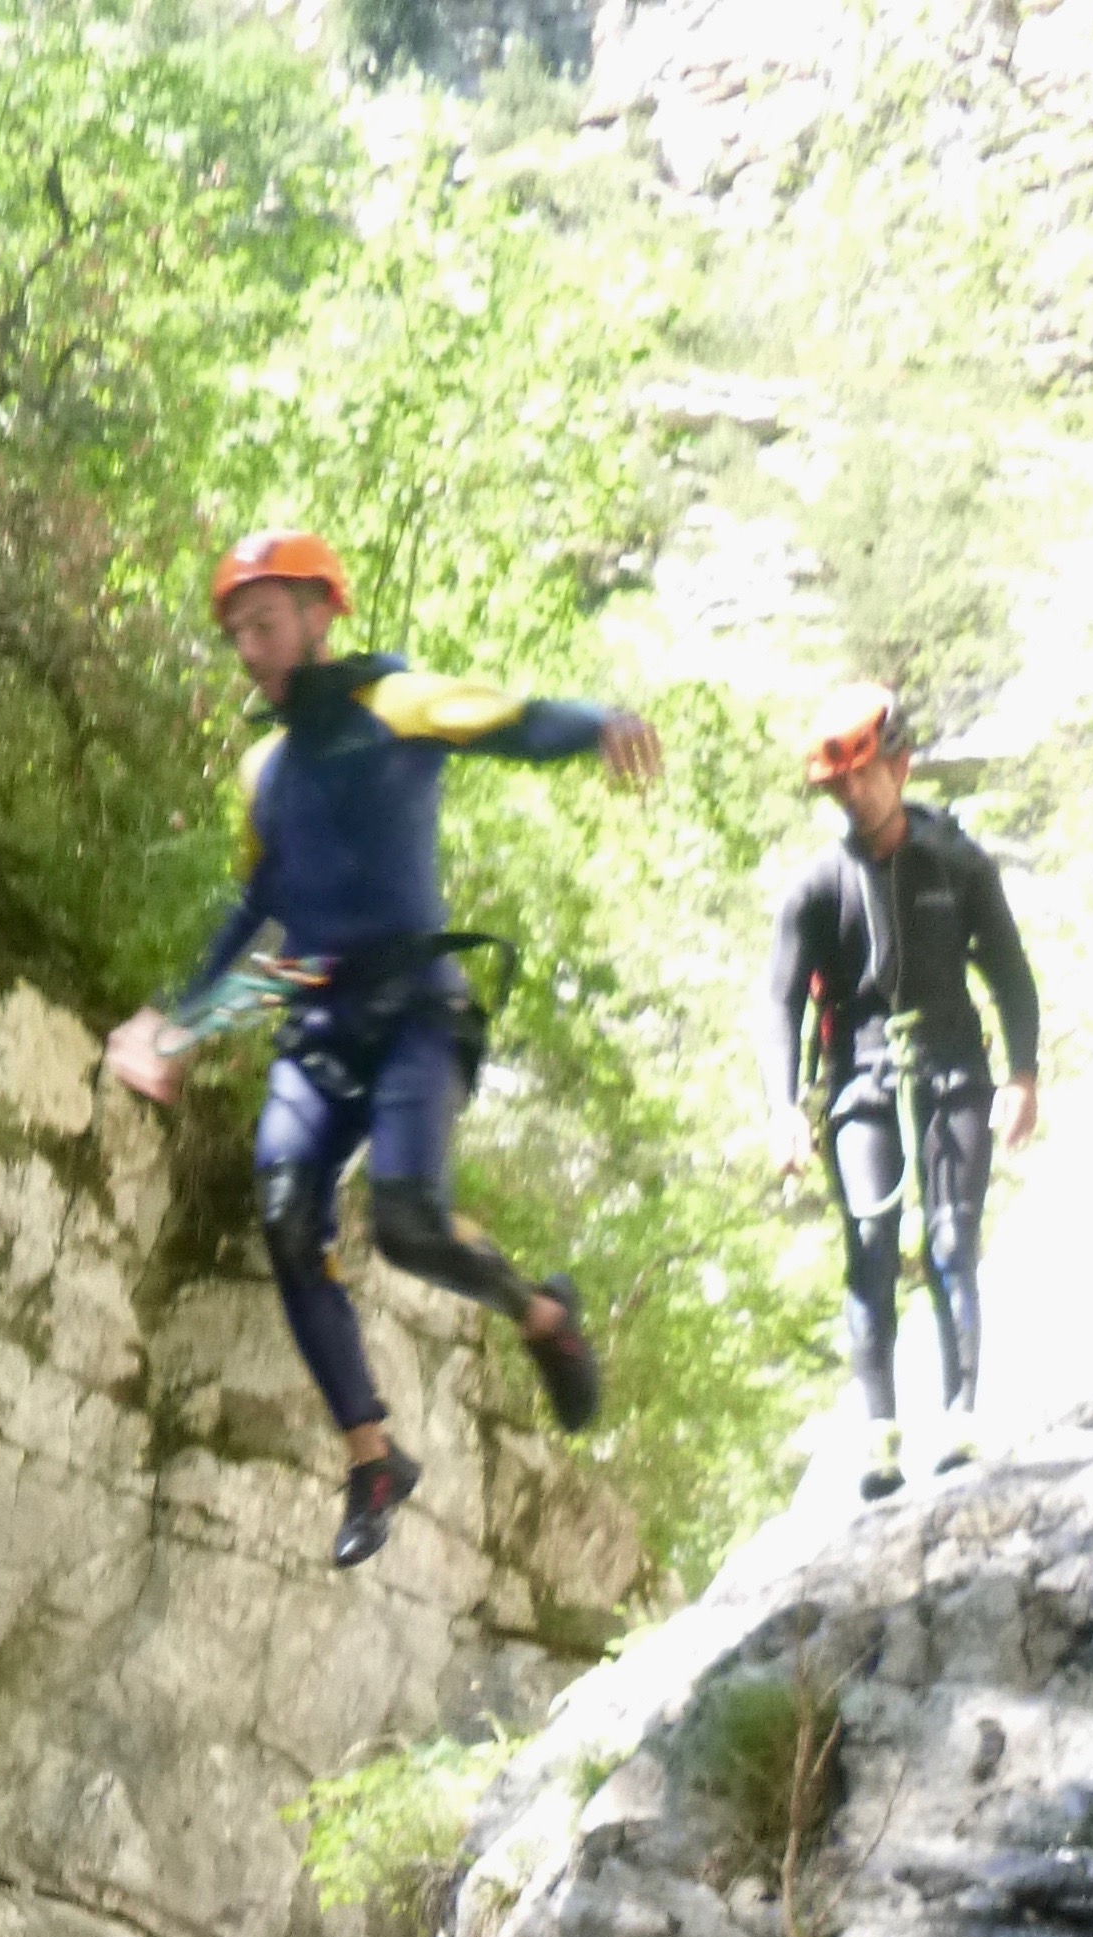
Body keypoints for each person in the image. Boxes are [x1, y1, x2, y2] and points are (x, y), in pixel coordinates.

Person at [101, 528, 663, 1567]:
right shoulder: (262, 770)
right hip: (316, 1021)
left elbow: (509, 720)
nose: (251, 649)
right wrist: (178, 1024)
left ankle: (542, 1315)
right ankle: (372, 1457)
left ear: (322, 615)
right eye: (236, 634)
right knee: (282, 1209)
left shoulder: (393, 702)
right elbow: (260, 917)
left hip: (416, 1010)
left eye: (265, 623)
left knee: (407, 1225)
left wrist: (599, 726)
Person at [760, 680, 1040, 1500]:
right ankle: (879, 1436)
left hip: (954, 1061)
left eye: (865, 775)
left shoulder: (957, 861)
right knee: (871, 1249)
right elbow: (777, 999)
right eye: (838, 784)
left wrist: (1023, 1073)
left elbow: (1011, 974)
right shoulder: (818, 886)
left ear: (901, 764)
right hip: (859, 1076)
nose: (853, 793)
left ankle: (960, 1417)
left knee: (953, 1241)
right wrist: (783, 1108)